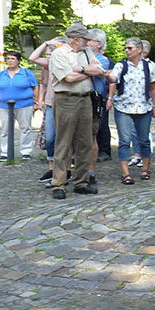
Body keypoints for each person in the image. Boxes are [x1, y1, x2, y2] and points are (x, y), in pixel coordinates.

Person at [49, 23, 106, 199]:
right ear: (76, 40)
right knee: (64, 143)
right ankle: (59, 183)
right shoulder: (59, 54)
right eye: (86, 39)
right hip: (66, 99)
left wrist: (82, 69)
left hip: (86, 99)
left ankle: (80, 182)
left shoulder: (86, 52)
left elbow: (99, 70)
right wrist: (90, 72)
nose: (89, 43)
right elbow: (69, 78)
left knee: (85, 142)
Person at [107, 37, 155, 184]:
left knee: (144, 140)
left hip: (144, 108)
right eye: (125, 48)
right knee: (124, 140)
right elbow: (113, 78)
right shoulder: (121, 65)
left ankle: (145, 170)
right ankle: (126, 174)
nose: (126, 50)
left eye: (130, 48)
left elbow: (153, 87)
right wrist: (107, 77)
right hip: (123, 107)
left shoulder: (150, 66)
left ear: (139, 50)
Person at [0, 51, 39, 161]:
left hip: (24, 105)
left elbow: (35, 87)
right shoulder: (2, 74)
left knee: (25, 128)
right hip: (4, 106)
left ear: (18, 61)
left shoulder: (26, 73)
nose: (10, 61)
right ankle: (5, 152)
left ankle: (26, 152)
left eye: (12, 58)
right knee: (5, 130)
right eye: (8, 58)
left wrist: (37, 102)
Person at [29, 37, 66, 182]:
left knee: (66, 138)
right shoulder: (50, 63)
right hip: (51, 104)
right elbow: (33, 57)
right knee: (50, 137)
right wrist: (46, 43)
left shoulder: (71, 61)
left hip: (67, 103)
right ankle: (52, 167)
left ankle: (65, 170)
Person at [89, 29, 114, 162]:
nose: (88, 41)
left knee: (101, 124)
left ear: (99, 44)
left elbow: (97, 72)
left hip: (99, 96)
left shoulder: (103, 60)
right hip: (86, 96)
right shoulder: (85, 57)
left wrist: (110, 98)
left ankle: (104, 150)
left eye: (91, 40)